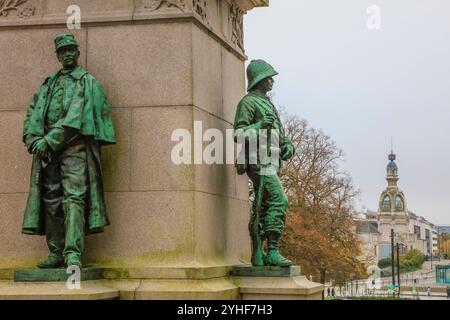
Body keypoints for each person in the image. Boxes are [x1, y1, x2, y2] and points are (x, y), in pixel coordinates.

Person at [22, 34, 116, 268]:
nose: (68, 54)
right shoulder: (49, 83)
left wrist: (50, 140)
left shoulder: (86, 81)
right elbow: (33, 113)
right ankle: (55, 251)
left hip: (74, 149)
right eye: (63, 51)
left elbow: (76, 116)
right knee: (51, 200)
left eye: (71, 49)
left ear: (78, 51)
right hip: (48, 152)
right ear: (57, 55)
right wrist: (33, 139)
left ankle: (72, 252)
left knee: (74, 199)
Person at [233, 60, 295, 267]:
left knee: (263, 207)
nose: (272, 81)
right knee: (279, 200)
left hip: (272, 161)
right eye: (269, 77)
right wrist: (259, 125)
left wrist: (288, 146)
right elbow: (239, 134)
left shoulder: (268, 103)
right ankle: (273, 251)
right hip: (257, 161)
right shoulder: (248, 102)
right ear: (259, 79)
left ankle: (260, 251)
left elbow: (282, 135)